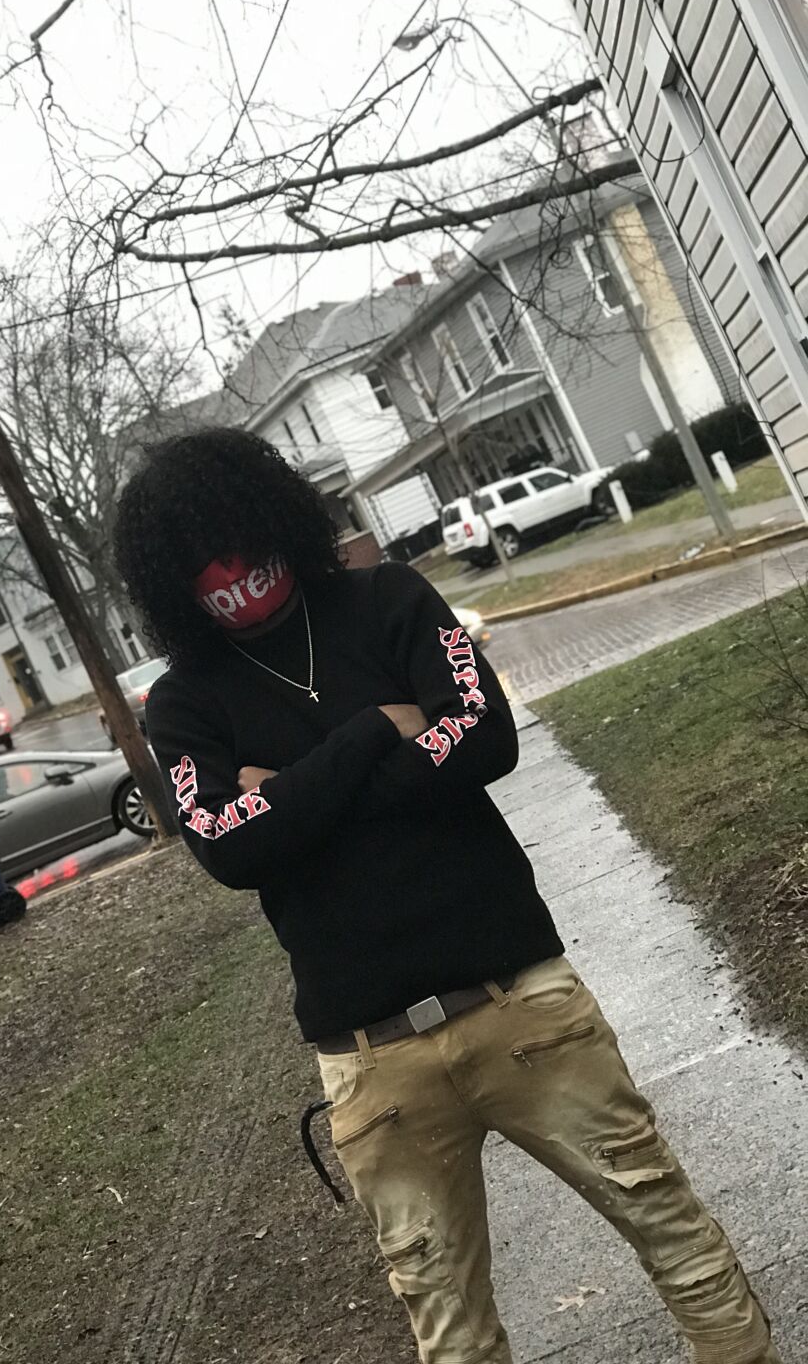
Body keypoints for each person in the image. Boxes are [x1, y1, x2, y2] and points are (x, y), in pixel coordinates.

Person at [113, 428, 780, 1364]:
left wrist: (286, 790)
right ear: (166, 579)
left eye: (234, 536)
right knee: (452, 1339)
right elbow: (230, 848)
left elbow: (484, 736)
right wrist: (376, 731)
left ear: (275, 517)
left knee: (673, 1236)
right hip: (370, 1062)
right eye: (195, 558)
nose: (226, 569)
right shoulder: (183, 703)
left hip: (519, 1001)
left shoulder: (390, 599)